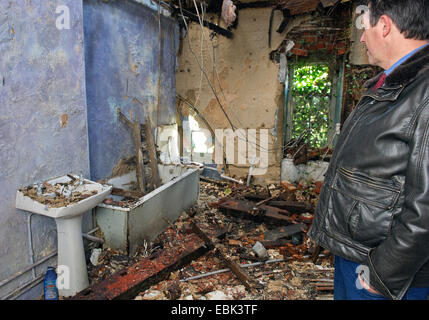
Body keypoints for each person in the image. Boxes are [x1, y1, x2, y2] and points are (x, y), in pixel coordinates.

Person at [308, 0, 429, 300]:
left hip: (389, 276)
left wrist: (382, 275)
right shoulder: (392, 86)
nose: (362, 38)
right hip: (359, 257)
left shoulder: (424, 95)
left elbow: (425, 210)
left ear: (385, 26)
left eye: (365, 27)